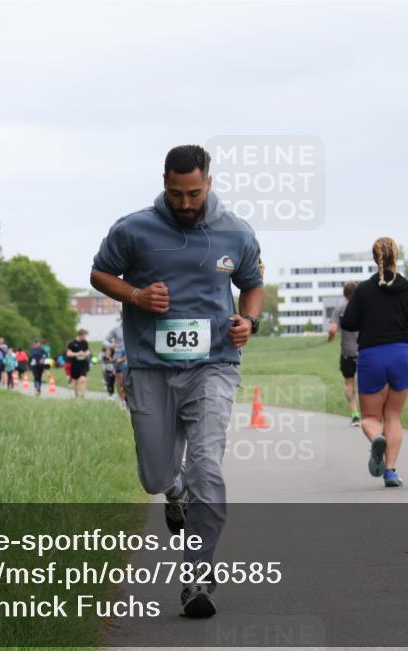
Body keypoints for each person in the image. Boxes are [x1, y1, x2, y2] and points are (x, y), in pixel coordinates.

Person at [90, 144, 263, 618]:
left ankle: (197, 576)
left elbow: (251, 284)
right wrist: (137, 295)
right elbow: (100, 273)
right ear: (163, 183)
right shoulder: (134, 228)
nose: (185, 203)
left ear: (208, 181)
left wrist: (248, 321)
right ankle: (174, 491)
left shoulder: (237, 232)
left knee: (207, 463)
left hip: (214, 364)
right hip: (149, 364)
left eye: (193, 193)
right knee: (154, 474)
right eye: (175, 193)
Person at [340, 238, 408, 488]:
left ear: (374, 259)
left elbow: (348, 322)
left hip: (372, 356)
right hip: (402, 355)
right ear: (397, 257)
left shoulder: (363, 290)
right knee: (393, 416)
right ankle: (390, 472)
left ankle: (377, 438)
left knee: (370, 416)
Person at [326, 281, 361, 427]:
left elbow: (333, 330)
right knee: (365, 385)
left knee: (349, 384)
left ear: (344, 294)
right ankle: (371, 416)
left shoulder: (339, 309)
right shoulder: (363, 307)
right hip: (364, 352)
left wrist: (330, 339)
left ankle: (355, 415)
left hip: (347, 353)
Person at [105, 316, 128, 408]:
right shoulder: (116, 329)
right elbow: (105, 340)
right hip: (118, 358)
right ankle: (122, 401)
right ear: (121, 316)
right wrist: (111, 345)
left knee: (128, 380)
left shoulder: (135, 328)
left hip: (130, 357)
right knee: (120, 381)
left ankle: (128, 399)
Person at [67, 329, 92, 397]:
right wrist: (77, 353)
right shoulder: (72, 343)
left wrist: (86, 354)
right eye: (84, 335)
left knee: (83, 379)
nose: (85, 337)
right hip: (75, 364)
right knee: (75, 381)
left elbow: (88, 351)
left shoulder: (85, 342)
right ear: (80, 335)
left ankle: (82, 395)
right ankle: (77, 394)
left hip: (83, 364)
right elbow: (68, 353)